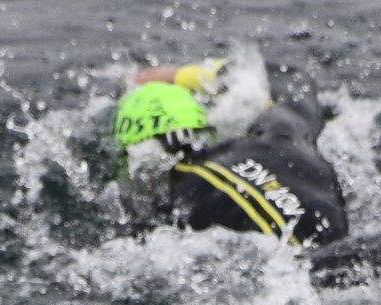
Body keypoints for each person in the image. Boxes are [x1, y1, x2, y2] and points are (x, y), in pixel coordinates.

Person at [113, 64, 349, 248]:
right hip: (342, 242)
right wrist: (187, 75)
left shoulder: (170, 208)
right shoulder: (277, 136)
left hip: (301, 273)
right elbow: (295, 82)